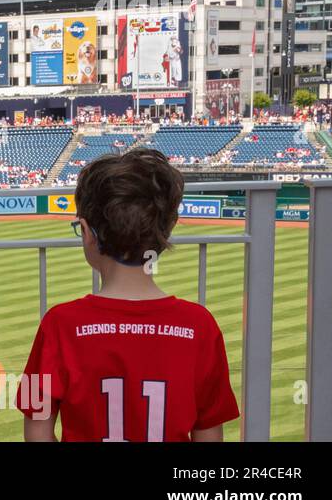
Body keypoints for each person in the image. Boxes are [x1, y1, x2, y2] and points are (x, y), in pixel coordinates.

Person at [15, 149, 238, 442]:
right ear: (166, 230)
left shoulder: (59, 324)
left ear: (86, 232)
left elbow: (37, 432)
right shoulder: (199, 326)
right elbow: (209, 436)